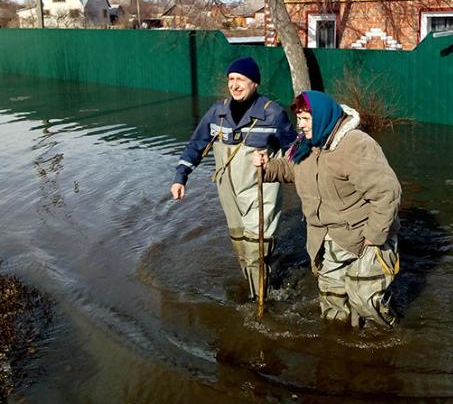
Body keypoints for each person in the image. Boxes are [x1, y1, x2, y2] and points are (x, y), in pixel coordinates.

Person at [253, 90, 401, 327]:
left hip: (364, 237)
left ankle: (384, 346)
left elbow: (387, 192)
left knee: (366, 302)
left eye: (306, 119)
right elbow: (291, 169)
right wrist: (267, 167)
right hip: (326, 238)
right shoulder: (306, 145)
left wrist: (374, 237)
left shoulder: (356, 145)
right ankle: (339, 348)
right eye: (298, 119)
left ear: (321, 117)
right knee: (333, 304)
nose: (300, 126)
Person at [170, 56, 296, 300]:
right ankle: (257, 291)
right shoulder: (218, 112)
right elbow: (196, 145)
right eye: (231, 79)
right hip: (228, 191)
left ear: (255, 83)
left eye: (241, 79)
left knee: (256, 250)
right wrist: (180, 177)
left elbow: (294, 152)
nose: (235, 85)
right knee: (240, 246)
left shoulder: (273, 114)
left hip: (261, 190)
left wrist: (280, 166)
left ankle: (262, 301)